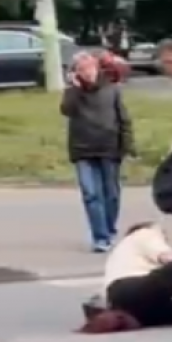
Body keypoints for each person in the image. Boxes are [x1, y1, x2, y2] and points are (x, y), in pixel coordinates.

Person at [61, 52, 134, 252]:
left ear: (97, 68)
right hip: (83, 149)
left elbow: (124, 119)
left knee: (111, 193)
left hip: (109, 147)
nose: (88, 73)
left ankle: (109, 229)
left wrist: (127, 145)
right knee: (91, 194)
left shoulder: (111, 89)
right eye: (82, 69)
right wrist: (74, 89)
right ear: (75, 72)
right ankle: (100, 237)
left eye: (90, 68)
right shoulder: (73, 93)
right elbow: (67, 110)